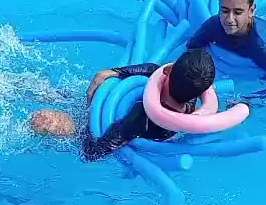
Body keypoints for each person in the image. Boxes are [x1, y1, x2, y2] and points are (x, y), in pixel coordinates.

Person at [28, 49, 218, 160]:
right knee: (62, 96)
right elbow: (153, 69)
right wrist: (116, 72)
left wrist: (77, 128)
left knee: (44, 120)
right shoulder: (191, 99)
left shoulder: (141, 117)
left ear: (168, 70)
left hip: (97, 127)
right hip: (111, 105)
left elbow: (93, 152)